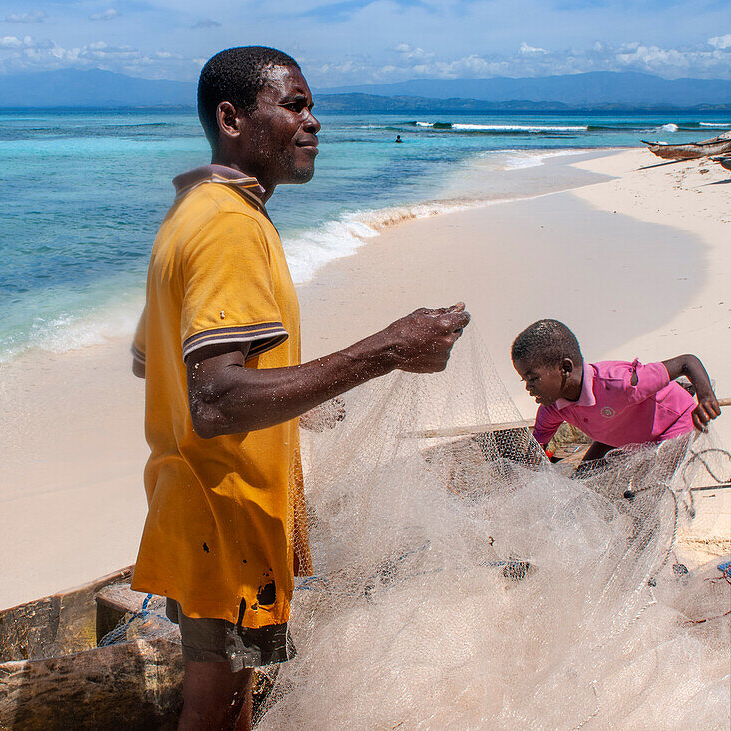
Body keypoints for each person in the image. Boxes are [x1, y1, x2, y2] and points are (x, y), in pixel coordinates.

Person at [130, 46, 470, 729]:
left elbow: (153, 359)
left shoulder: (193, 212)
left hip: (197, 512)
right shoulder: (229, 225)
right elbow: (217, 398)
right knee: (214, 714)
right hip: (223, 521)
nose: (314, 122)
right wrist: (386, 349)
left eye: (310, 106)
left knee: (237, 702)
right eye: (294, 105)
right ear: (232, 118)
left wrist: (293, 405)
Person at [511, 318, 720, 464]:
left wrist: (707, 398)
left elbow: (687, 361)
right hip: (618, 432)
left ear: (565, 368)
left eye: (533, 378)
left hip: (673, 422)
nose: (528, 388)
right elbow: (536, 447)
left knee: (651, 487)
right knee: (583, 481)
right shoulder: (552, 408)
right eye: (524, 380)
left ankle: (682, 389)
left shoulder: (620, 383)